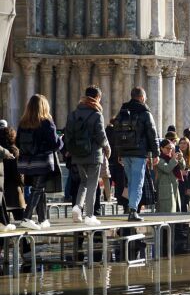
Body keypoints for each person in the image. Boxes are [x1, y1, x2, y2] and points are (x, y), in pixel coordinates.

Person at [65, 86, 110, 226]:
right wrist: (107, 147)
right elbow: (101, 135)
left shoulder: (73, 114)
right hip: (93, 155)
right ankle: (89, 215)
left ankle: (77, 207)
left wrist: (71, 150)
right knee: (92, 183)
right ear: (97, 98)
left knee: (83, 182)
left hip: (78, 154)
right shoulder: (97, 115)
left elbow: (67, 135)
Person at [16, 94, 62, 230]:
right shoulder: (46, 122)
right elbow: (55, 144)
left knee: (39, 189)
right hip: (41, 162)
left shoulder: (23, 123)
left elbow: (18, 142)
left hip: (26, 163)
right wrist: (61, 140)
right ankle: (27, 217)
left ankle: (43, 219)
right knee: (37, 189)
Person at [114, 87, 159, 221]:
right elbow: (152, 134)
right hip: (139, 153)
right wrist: (155, 153)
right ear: (141, 97)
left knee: (131, 181)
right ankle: (133, 210)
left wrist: (119, 152)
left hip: (125, 152)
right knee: (137, 182)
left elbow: (116, 133)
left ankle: (130, 207)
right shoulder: (145, 113)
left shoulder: (122, 112)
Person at [0, 125, 22, 230]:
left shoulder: (2, 153)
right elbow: (18, 173)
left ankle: (2, 245)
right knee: (20, 220)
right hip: (14, 191)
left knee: (3, 221)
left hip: (3, 192)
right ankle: (26, 246)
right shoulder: (14, 150)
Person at [155, 139, 185, 213]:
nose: (170, 150)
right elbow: (167, 169)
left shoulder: (171, 158)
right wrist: (174, 159)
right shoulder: (159, 159)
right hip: (165, 190)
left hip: (174, 187)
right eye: (167, 148)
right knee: (166, 212)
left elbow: (183, 167)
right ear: (161, 148)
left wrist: (181, 159)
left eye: (171, 148)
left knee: (176, 211)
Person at [177, 137, 190, 212]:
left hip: (186, 184)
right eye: (181, 143)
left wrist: (189, 188)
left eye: (184, 143)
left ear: (188, 145)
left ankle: (185, 223)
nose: (182, 145)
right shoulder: (177, 156)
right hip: (178, 183)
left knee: (185, 205)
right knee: (180, 205)